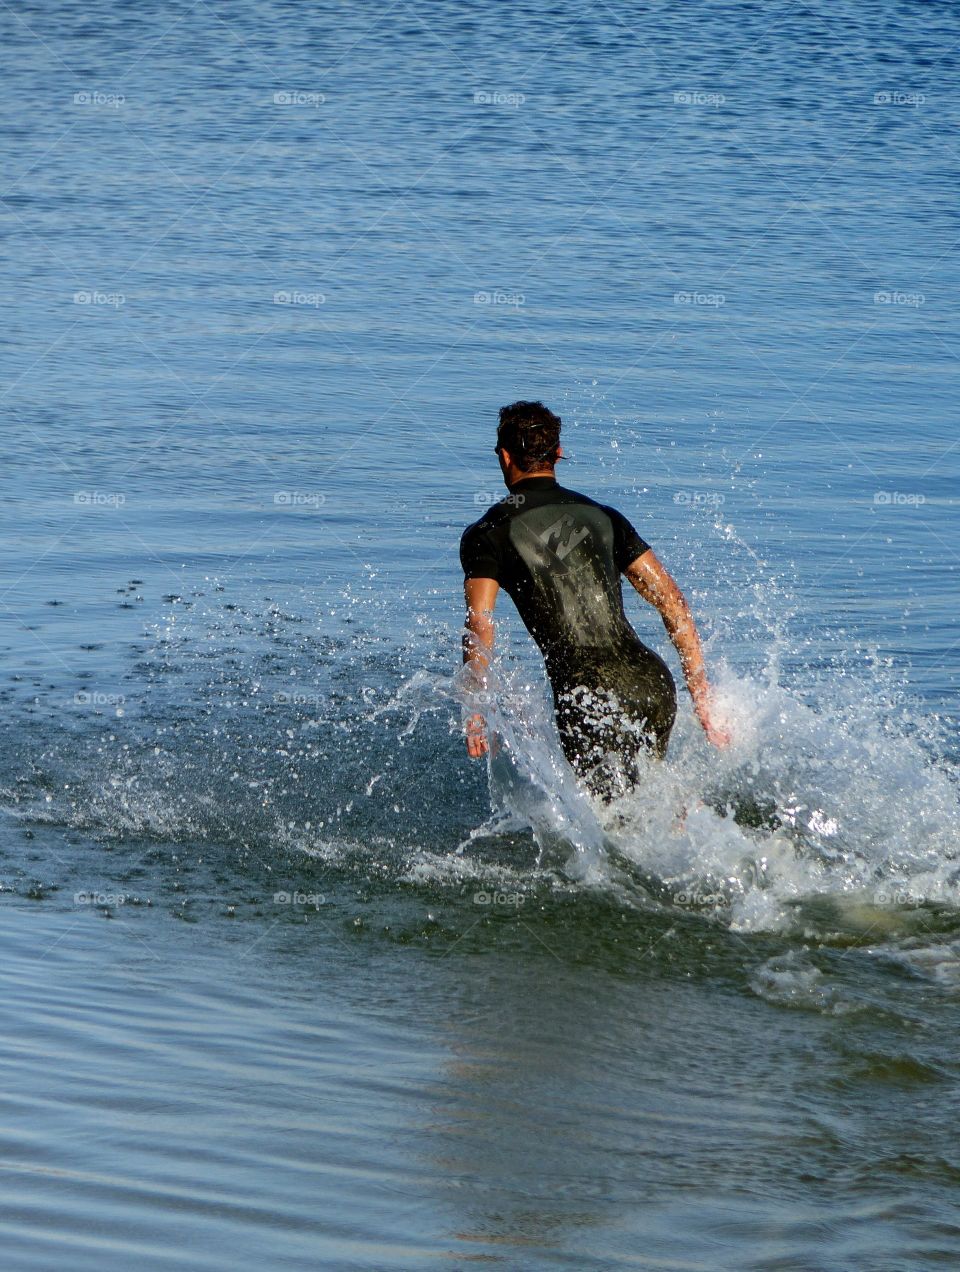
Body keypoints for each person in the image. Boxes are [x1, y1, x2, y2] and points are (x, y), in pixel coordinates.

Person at [460, 401, 730, 800]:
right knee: (655, 813)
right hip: (653, 684)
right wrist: (701, 697)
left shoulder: (488, 532)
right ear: (558, 453)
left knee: (610, 825)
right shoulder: (605, 516)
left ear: (504, 456)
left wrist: (475, 703)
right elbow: (673, 603)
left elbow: (480, 624)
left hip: (587, 691)